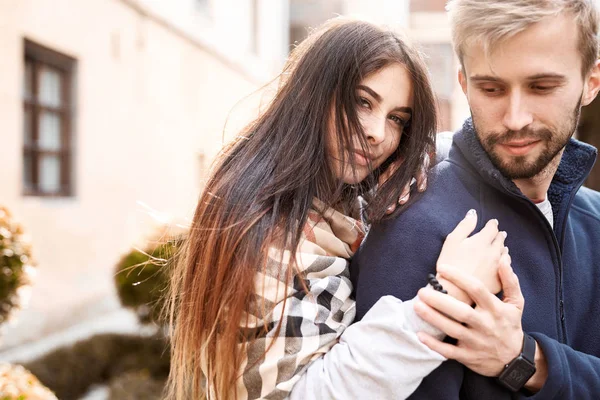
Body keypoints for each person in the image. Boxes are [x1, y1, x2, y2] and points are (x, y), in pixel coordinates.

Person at [165, 17, 511, 400]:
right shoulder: (271, 233)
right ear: (313, 93)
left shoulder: (326, 200)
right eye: (363, 102)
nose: (378, 132)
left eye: (397, 119)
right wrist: (445, 297)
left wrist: (416, 163)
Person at [351, 0, 600, 398]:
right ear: (464, 84)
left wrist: (532, 361)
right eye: (491, 88)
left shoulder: (596, 223)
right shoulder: (413, 222)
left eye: (542, 87)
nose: (516, 118)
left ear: (591, 81)